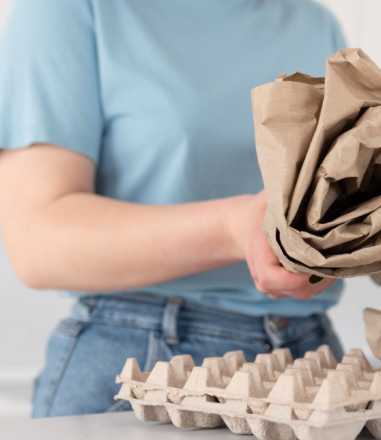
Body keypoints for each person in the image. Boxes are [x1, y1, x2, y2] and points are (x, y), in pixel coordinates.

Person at [0, 0, 348, 417]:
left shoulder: (314, 24)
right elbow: (38, 242)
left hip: (310, 357)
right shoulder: (73, 9)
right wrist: (233, 229)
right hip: (142, 363)